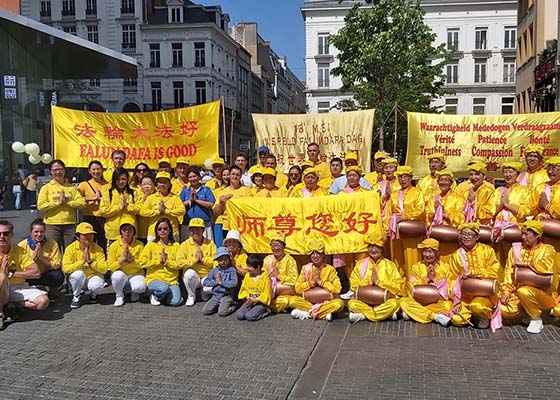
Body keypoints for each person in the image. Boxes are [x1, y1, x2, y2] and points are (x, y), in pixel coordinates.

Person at [501, 221, 557, 334]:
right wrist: (506, 292)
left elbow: (547, 268)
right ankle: (528, 311)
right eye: (522, 234)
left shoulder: (548, 249)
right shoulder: (516, 249)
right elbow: (508, 272)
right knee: (503, 310)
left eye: (526, 234)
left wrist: (526, 265)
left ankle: (536, 318)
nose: (523, 237)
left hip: (545, 295)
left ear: (537, 235)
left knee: (524, 291)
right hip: (518, 294)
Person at [448, 223, 500, 329]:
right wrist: (456, 300)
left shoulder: (487, 250)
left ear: (477, 237)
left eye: (469, 234)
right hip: (465, 296)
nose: (466, 237)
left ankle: (485, 315)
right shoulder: (456, 255)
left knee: (477, 307)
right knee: (457, 320)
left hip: (484, 294)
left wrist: (474, 272)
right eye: (463, 234)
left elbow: (494, 271)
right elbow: (452, 279)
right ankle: (471, 315)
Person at [0, 220, 49, 327]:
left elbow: (36, 273)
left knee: (43, 302)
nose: (2, 237)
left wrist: (11, 273)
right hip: (1, 287)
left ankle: (13, 303)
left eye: (6, 233)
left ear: (12, 235)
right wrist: (3, 273)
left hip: (17, 287)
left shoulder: (19, 251)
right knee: (1, 277)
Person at [347, 234, 404, 323]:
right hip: (365, 301)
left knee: (394, 304)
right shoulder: (360, 264)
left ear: (382, 249)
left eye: (377, 247)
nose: (373, 250)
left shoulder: (390, 265)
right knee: (352, 304)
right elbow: (353, 285)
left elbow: (397, 287)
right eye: (371, 247)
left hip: (384, 301)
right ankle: (383, 315)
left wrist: (379, 282)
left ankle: (363, 316)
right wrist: (368, 282)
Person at [399, 239, 453, 327]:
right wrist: (426, 279)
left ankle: (416, 313)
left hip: (436, 302)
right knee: (403, 302)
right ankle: (435, 316)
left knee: (448, 306)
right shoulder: (416, 267)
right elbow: (411, 287)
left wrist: (434, 279)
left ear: (437, 253)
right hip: (419, 301)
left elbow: (449, 287)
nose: (427, 255)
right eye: (424, 251)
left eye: (430, 251)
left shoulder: (445, 267)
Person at [289, 240, 344, 321]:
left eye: (318, 253)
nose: (315, 256)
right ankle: (323, 313)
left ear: (323, 255)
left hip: (326, 302)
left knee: (339, 304)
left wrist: (320, 282)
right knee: (292, 301)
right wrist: (311, 283)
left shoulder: (330, 269)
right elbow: (297, 288)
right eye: (312, 254)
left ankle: (308, 313)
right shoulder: (305, 268)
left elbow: (337, 289)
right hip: (309, 301)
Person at [37, 160, 86, 251]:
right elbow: (41, 206)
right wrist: (58, 203)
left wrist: (68, 202)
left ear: (64, 170)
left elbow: (82, 203)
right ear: (51, 172)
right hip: (52, 225)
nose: (58, 172)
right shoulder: (46, 188)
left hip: (70, 225)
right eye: (55, 170)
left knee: (70, 251)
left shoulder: (72, 187)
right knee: (54, 252)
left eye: (60, 169)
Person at [386, 165, 425, 277]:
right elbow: (388, 213)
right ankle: (399, 284)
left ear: (411, 177)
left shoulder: (417, 192)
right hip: (396, 232)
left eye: (405, 177)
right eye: (400, 177)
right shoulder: (394, 195)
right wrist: (386, 229)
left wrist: (406, 216)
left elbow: (421, 210)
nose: (402, 179)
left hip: (411, 232)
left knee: (412, 260)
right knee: (397, 260)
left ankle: (412, 283)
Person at [492, 162, 532, 265]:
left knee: (513, 259)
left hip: (516, 231)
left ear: (517, 174)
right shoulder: (498, 190)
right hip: (498, 230)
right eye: (505, 172)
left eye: (511, 172)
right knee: (498, 260)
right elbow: (491, 211)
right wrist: (500, 206)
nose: (508, 175)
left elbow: (526, 211)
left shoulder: (524, 191)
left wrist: (507, 205)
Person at [62, 222, 108, 309]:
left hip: (93, 276)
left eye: (91, 234)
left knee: (97, 285)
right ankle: (76, 296)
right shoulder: (70, 249)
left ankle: (94, 295)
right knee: (77, 275)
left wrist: (91, 262)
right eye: (85, 235)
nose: (88, 237)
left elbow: (104, 269)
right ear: (77, 237)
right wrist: (82, 262)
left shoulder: (98, 249)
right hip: (79, 279)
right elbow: (66, 268)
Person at [140, 218, 182, 307]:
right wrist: (158, 262)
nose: (162, 231)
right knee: (163, 289)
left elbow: (180, 264)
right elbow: (142, 262)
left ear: (170, 230)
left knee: (176, 302)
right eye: (159, 229)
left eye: (165, 228)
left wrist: (167, 262)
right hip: (155, 278)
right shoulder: (151, 245)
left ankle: (161, 296)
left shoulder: (176, 246)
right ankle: (154, 294)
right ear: (156, 231)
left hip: (171, 280)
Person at [18, 219, 64, 295]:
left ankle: (53, 291)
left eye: (41, 232)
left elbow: (56, 265)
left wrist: (41, 258)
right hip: (30, 275)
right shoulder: (22, 245)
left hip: (45, 273)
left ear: (45, 232)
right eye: (36, 232)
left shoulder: (52, 243)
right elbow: (19, 266)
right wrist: (32, 260)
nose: (39, 234)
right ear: (31, 231)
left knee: (58, 276)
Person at [99, 167, 140, 251]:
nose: (121, 182)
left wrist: (128, 207)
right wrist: (118, 208)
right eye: (118, 179)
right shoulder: (108, 193)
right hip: (113, 233)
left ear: (127, 179)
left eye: (123, 179)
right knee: (113, 257)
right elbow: (103, 211)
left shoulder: (134, 193)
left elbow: (140, 208)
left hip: (130, 233)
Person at [178, 218, 217, 306]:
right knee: (189, 274)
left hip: (207, 275)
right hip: (194, 276)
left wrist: (203, 259)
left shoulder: (210, 244)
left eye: (198, 229)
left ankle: (203, 291)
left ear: (203, 230)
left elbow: (216, 262)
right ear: (189, 231)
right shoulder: (185, 244)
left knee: (208, 289)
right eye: (193, 229)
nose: (195, 232)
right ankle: (191, 296)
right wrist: (194, 260)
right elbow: (179, 262)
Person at [108, 219, 146, 307]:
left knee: (140, 287)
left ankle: (133, 291)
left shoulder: (140, 245)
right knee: (117, 276)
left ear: (134, 231)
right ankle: (119, 295)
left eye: (130, 229)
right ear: (120, 231)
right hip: (122, 274)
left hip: (136, 273)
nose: (127, 232)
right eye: (124, 229)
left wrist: (133, 260)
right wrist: (122, 261)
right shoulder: (114, 245)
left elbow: (143, 264)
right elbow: (111, 267)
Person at [140, 171, 186, 242]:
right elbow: (143, 212)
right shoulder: (151, 198)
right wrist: (157, 211)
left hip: (172, 232)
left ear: (169, 184)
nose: (162, 184)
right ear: (157, 184)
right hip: (153, 232)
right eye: (160, 182)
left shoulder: (175, 197)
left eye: (165, 182)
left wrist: (167, 211)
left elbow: (182, 210)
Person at [77, 160, 110, 251]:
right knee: (89, 243)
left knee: (103, 243)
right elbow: (77, 199)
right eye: (94, 169)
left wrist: (102, 199)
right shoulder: (84, 185)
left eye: (98, 169)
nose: (96, 171)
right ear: (89, 171)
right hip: (89, 217)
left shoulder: (108, 185)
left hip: (104, 218)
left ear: (102, 170)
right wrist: (92, 198)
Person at [262, 233, 298, 313]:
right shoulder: (267, 259)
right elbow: (262, 276)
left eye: (279, 245)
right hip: (268, 291)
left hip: (283, 291)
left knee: (285, 301)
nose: (276, 248)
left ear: (284, 247)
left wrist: (278, 276)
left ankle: (266, 306)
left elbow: (294, 280)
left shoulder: (290, 260)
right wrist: (269, 277)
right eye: (274, 245)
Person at [212, 166, 251, 235]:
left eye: (237, 175)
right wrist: (221, 204)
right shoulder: (222, 192)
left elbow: (250, 208)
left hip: (243, 226)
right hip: (227, 226)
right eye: (233, 174)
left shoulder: (247, 190)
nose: (235, 177)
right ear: (229, 175)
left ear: (241, 176)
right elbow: (215, 213)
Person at [179, 166, 215, 241]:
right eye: (190, 177)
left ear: (199, 177)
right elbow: (179, 205)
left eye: (194, 176)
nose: (192, 179)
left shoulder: (206, 189)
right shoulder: (185, 190)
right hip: (188, 224)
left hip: (204, 224)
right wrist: (190, 200)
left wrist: (197, 200)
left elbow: (211, 204)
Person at [202, 246, 238, 316]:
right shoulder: (214, 270)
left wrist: (221, 282)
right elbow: (205, 282)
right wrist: (215, 282)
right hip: (216, 295)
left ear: (229, 259)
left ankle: (233, 306)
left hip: (227, 295)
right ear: (217, 260)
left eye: (225, 259)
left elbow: (234, 283)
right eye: (220, 260)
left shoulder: (232, 270)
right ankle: (218, 306)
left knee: (222, 313)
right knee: (205, 311)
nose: (223, 261)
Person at [236, 254, 272, 321]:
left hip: (260, 302)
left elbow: (266, 294)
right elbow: (244, 289)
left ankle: (266, 311)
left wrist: (255, 300)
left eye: (249, 266)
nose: (247, 268)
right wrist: (247, 297)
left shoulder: (265, 278)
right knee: (239, 316)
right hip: (249, 301)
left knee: (249, 316)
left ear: (258, 267)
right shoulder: (248, 276)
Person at [136, 175, 157, 244]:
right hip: (141, 231)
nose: (146, 186)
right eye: (144, 184)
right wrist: (143, 201)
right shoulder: (138, 195)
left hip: (153, 231)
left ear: (154, 185)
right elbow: (136, 210)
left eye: (149, 184)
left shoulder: (157, 196)